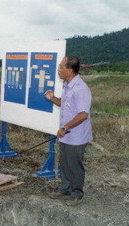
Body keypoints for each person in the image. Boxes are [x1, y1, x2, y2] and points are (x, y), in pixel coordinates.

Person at [45, 56, 92, 206]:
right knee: (64, 163)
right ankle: (65, 189)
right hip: (66, 134)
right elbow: (66, 104)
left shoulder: (81, 89)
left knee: (74, 165)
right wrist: (53, 98)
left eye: (60, 67)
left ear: (70, 70)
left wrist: (65, 127)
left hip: (76, 136)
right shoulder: (67, 84)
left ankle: (77, 194)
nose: (58, 70)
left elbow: (83, 114)